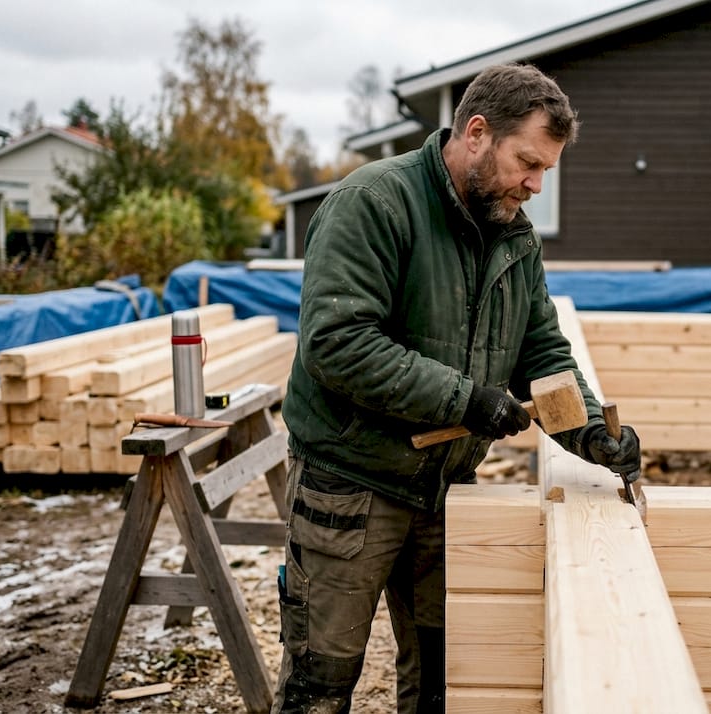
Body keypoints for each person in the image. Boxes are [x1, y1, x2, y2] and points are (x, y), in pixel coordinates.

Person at [272, 62, 642, 714]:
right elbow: (338, 344)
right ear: (476, 133)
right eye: (527, 162)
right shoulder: (375, 204)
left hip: (443, 495)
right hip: (348, 491)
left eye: (546, 171)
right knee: (319, 688)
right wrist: (465, 400)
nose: (534, 184)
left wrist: (591, 433)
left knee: (443, 688)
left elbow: (543, 352)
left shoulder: (513, 236)